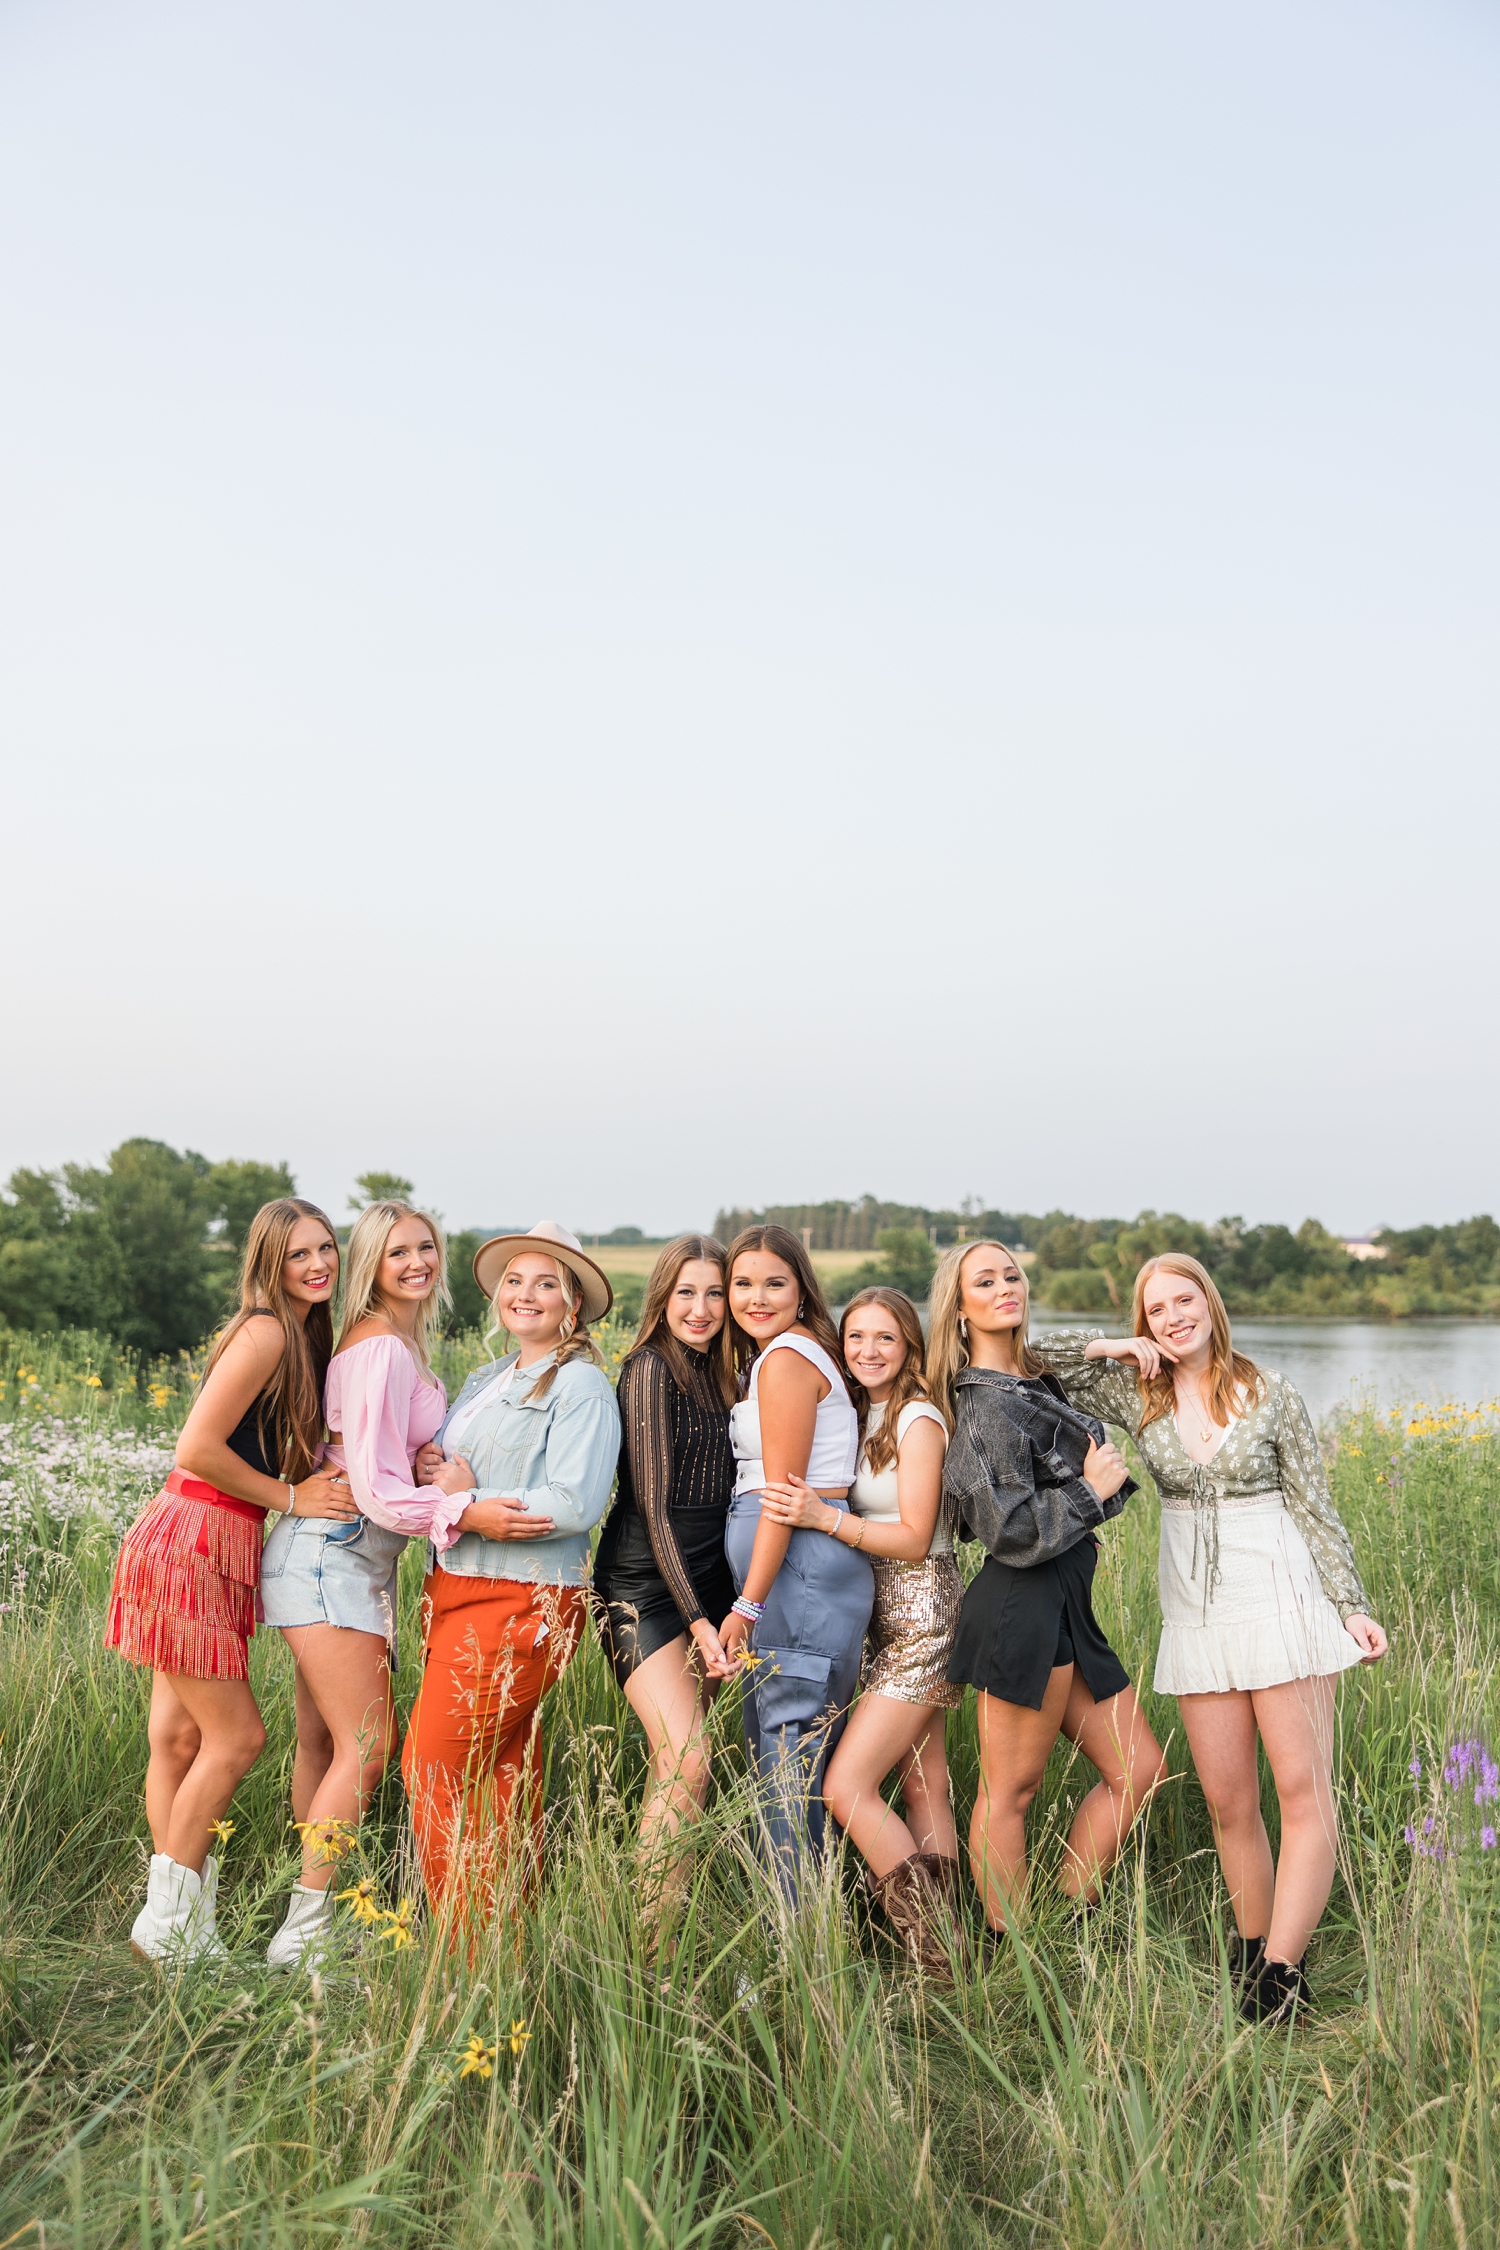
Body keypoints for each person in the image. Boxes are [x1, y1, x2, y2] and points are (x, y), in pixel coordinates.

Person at [1043, 1252, 1388, 2021]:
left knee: (1302, 1794)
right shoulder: (1139, 1392)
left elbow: (1316, 1507)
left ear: (1210, 1301)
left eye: (1182, 1299)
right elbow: (1028, 1356)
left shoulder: (1271, 1394)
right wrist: (1111, 1348)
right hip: (1196, 1611)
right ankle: (1251, 1954)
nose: (1172, 1317)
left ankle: (1281, 1974)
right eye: (1155, 1309)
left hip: (1281, 1595)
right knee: (1231, 1803)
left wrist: (1352, 1604)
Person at [105, 1199, 357, 1962]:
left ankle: (186, 1924)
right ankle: (169, 1928)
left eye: (325, 1249)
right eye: (297, 1255)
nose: (317, 1265)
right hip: (191, 1539)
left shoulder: (300, 1337)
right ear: (267, 1265)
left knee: (179, 1737)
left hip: (208, 1538)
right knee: (238, 1736)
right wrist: (293, 1497)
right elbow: (196, 1447)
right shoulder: (266, 1330)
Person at [927, 1241, 1167, 1946]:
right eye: (985, 1281)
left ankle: (1067, 1913)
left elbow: (1048, 1344)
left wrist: (1115, 1343)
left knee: (1139, 1770)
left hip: (1068, 1598)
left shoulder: (1032, 1377)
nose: (1006, 1288)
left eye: (1012, 1276)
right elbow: (1008, 1532)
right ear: (960, 1307)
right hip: (1020, 1605)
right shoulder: (981, 1410)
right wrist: (1091, 1493)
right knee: (1013, 1792)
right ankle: (1013, 1945)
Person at [260, 1199, 464, 1968]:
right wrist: (460, 1506)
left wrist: (419, 1464)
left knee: (322, 1743)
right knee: (368, 1749)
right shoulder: (382, 1348)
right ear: (371, 1265)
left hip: (336, 1557)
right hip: (332, 1556)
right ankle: (306, 1933)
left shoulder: (386, 1342)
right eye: (397, 1252)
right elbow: (376, 1495)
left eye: (426, 1248)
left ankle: (300, 1910)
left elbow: (375, 1461)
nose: (417, 1263)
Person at [406, 1222, 621, 1935]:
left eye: (547, 1283)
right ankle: (504, 1949)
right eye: (515, 1281)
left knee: (433, 1769)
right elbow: (447, 1466)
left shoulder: (581, 1383)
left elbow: (575, 1502)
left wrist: (468, 1502)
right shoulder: (487, 1377)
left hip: (522, 1595)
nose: (525, 1294)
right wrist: (440, 1477)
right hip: (462, 1586)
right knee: (500, 1778)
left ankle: (465, 1952)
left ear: (574, 1305)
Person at [758, 1286, 963, 1974]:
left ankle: (934, 1946)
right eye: (857, 1338)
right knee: (923, 1782)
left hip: (923, 1617)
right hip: (881, 1620)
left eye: (886, 1339)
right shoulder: (860, 1412)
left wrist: (826, 1520)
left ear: (909, 1347)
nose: (869, 1351)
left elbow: (913, 1536)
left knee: (845, 1785)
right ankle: (954, 1954)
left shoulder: (918, 1419)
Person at [721, 1224, 872, 1904]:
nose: (756, 1297)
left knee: (788, 1749)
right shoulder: (787, 1353)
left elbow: (784, 1496)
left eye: (773, 1283)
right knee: (792, 1746)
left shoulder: (784, 1358)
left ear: (801, 1286)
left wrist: (748, 1602)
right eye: (742, 1284)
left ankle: (798, 1937)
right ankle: (801, 1921)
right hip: (798, 1569)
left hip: (797, 1569)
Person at [593, 1236, 740, 1919]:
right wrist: (698, 1618)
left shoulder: (728, 1371)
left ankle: (666, 1923)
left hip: (710, 1578)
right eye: (686, 1292)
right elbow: (653, 1507)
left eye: (715, 1292)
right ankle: (648, 1941)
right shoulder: (650, 1369)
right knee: (689, 1759)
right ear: (662, 1296)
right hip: (645, 1581)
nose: (702, 1308)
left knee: (683, 1768)